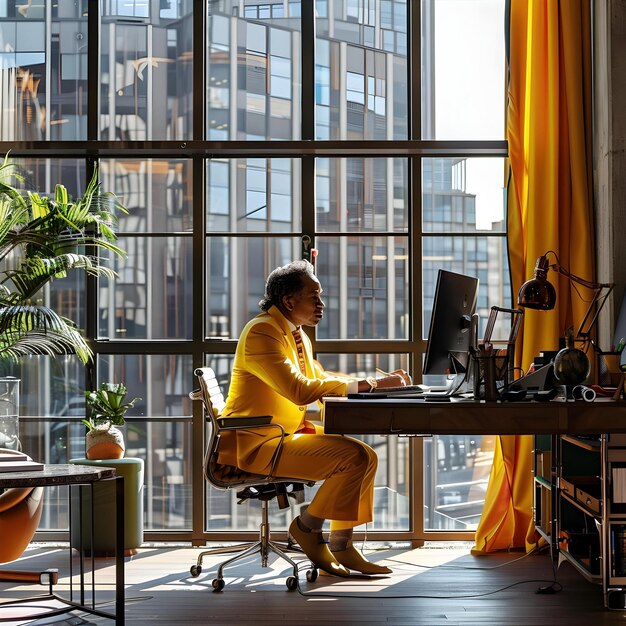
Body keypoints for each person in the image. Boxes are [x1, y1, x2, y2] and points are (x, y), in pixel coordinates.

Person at [219, 260, 411, 577]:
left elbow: (319, 377)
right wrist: (372, 385)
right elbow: (298, 389)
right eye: (314, 296)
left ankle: (341, 543)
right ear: (289, 300)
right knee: (353, 456)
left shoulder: (296, 334)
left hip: (280, 435)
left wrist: (373, 383)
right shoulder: (262, 332)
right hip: (253, 444)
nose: (322, 303)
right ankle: (307, 527)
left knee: (366, 455)